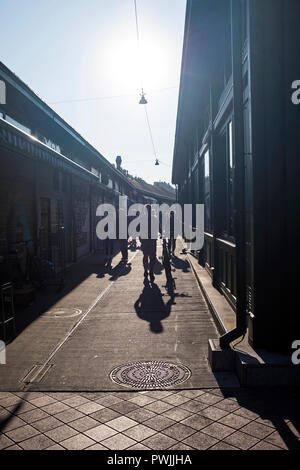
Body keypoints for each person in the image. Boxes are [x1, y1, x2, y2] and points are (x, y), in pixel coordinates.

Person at [140, 204, 159, 283]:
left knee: (146, 255)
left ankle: (146, 271)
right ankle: (150, 271)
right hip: (151, 240)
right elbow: (159, 228)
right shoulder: (154, 219)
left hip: (145, 240)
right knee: (152, 256)